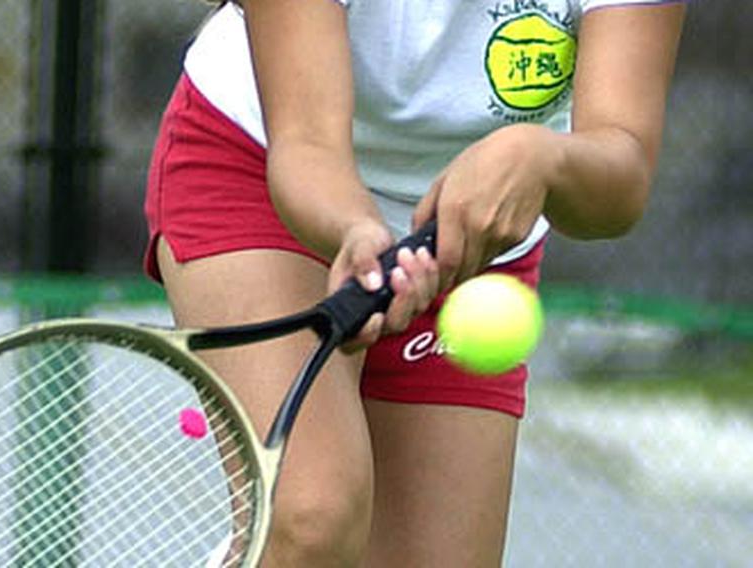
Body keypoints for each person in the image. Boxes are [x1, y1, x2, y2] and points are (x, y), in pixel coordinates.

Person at [143, 0, 685, 565]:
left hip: (473, 238)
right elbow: (306, 145)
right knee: (312, 520)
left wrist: (543, 156)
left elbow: (620, 181)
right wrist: (356, 232)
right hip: (263, 170)